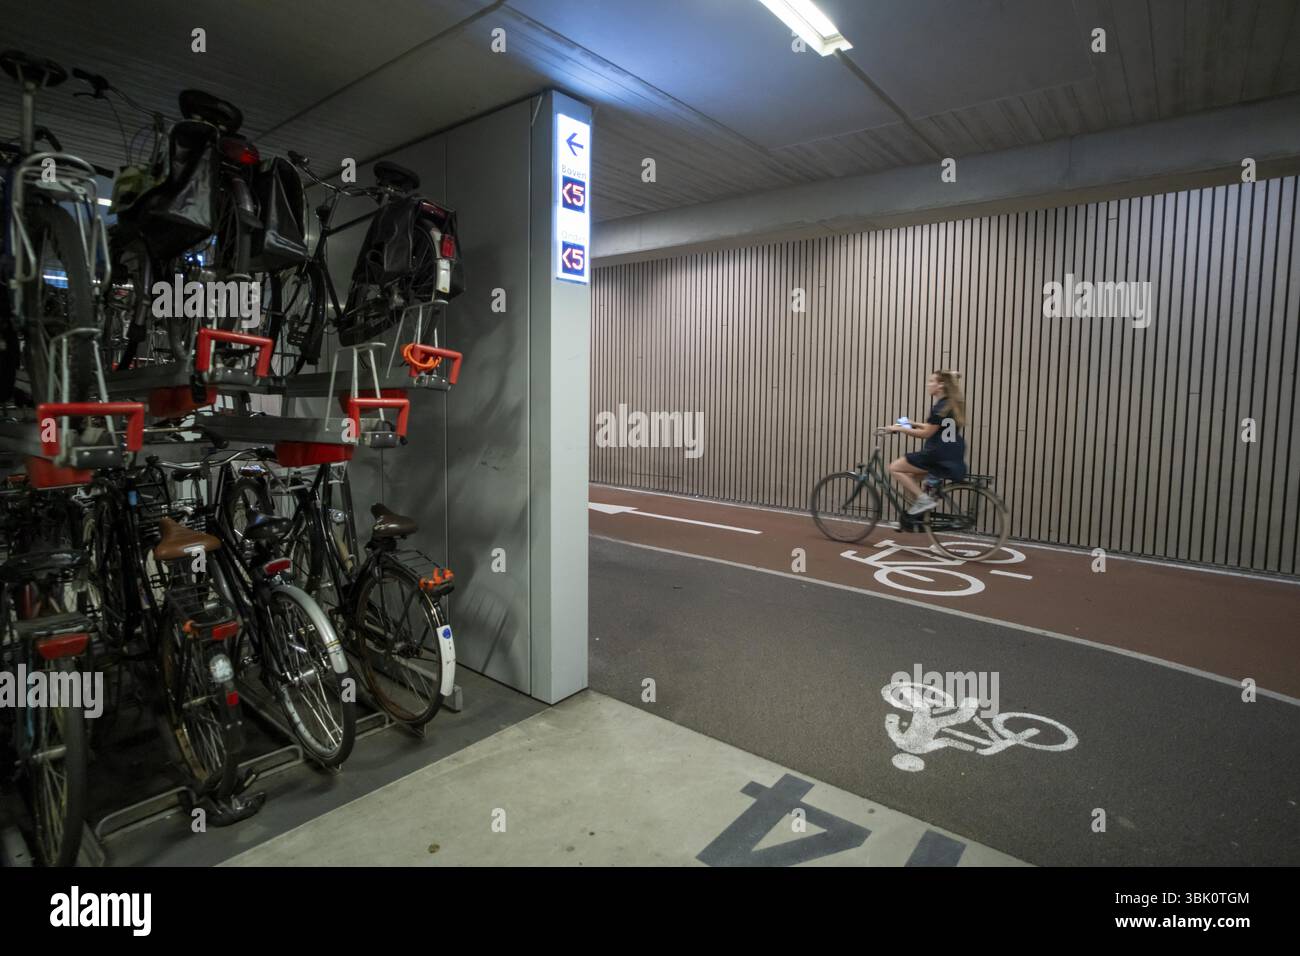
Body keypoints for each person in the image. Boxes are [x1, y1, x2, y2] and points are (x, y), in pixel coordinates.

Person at [886, 369, 967, 515]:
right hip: (952, 453)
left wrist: (901, 429)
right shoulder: (950, 404)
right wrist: (912, 423)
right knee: (910, 477)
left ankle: (924, 501)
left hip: (937, 454)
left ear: (941, 385)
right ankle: (920, 514)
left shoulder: (940, 408)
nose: (927, 384)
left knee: (894, 467)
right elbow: (936, 428)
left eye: (931, 381)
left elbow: (927, 433)